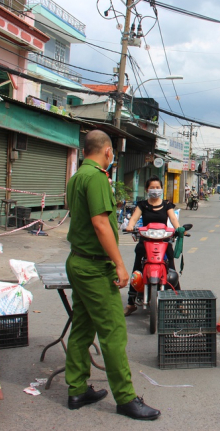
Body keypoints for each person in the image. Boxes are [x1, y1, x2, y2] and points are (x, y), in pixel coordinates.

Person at [65, 130, 161, 420]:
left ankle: (77, 387)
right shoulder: (95, 177)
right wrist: (120, 264)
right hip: (94, 267)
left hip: (78, 261)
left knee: (82, 327)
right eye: (113, 153)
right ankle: (125, 397)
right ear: (107, 151)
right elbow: (101, 224)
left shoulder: (77, 176)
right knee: (114, 331)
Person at [124, 176, 181, 316]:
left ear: (161, 189)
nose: (155, 190)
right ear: (147, 189)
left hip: (164, 241)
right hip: (145, 241)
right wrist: (130, 226)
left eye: (157, 187)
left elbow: (173, 218)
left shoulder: (167, 204)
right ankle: (131, 304)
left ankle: (179, 303)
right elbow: (134, 218)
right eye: (152, 187)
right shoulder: (142, 205)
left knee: (172, 269)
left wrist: (178, 229)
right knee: (137, 269)